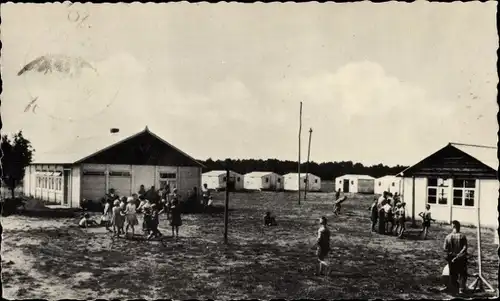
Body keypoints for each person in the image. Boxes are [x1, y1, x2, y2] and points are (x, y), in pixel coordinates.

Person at [443, 220, 468, 295]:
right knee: (463, 273)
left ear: (452, 226)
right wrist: (459, 254)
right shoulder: (462, 236)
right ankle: (461, 289)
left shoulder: (448, 237)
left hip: (451, 258)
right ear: (458, 227)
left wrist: (451, 253)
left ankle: (456, 288)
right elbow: (465, 247)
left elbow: (445, 248)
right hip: (461, 258)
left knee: (453, 274)